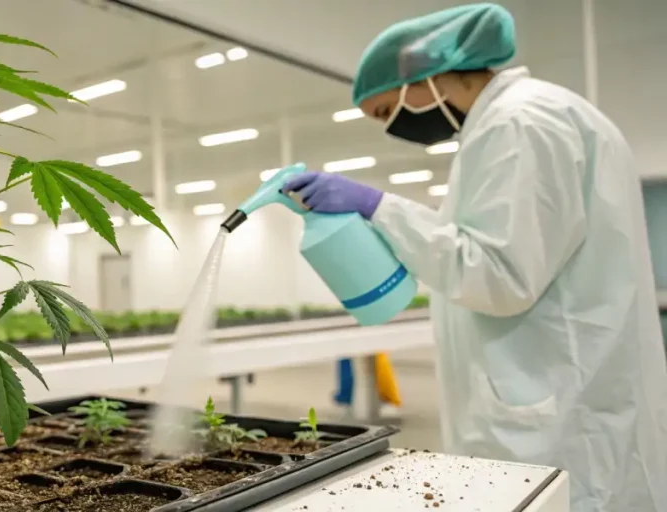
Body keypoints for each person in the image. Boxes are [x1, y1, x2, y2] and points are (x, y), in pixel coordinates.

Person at [282, 4, 667, 511]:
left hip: (558, 412)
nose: (391, 127)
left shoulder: (521, 124)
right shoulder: (522, 120)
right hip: (560, 390)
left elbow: (500, 275)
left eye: (386, 111)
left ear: (422, 79)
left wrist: (379, 207)